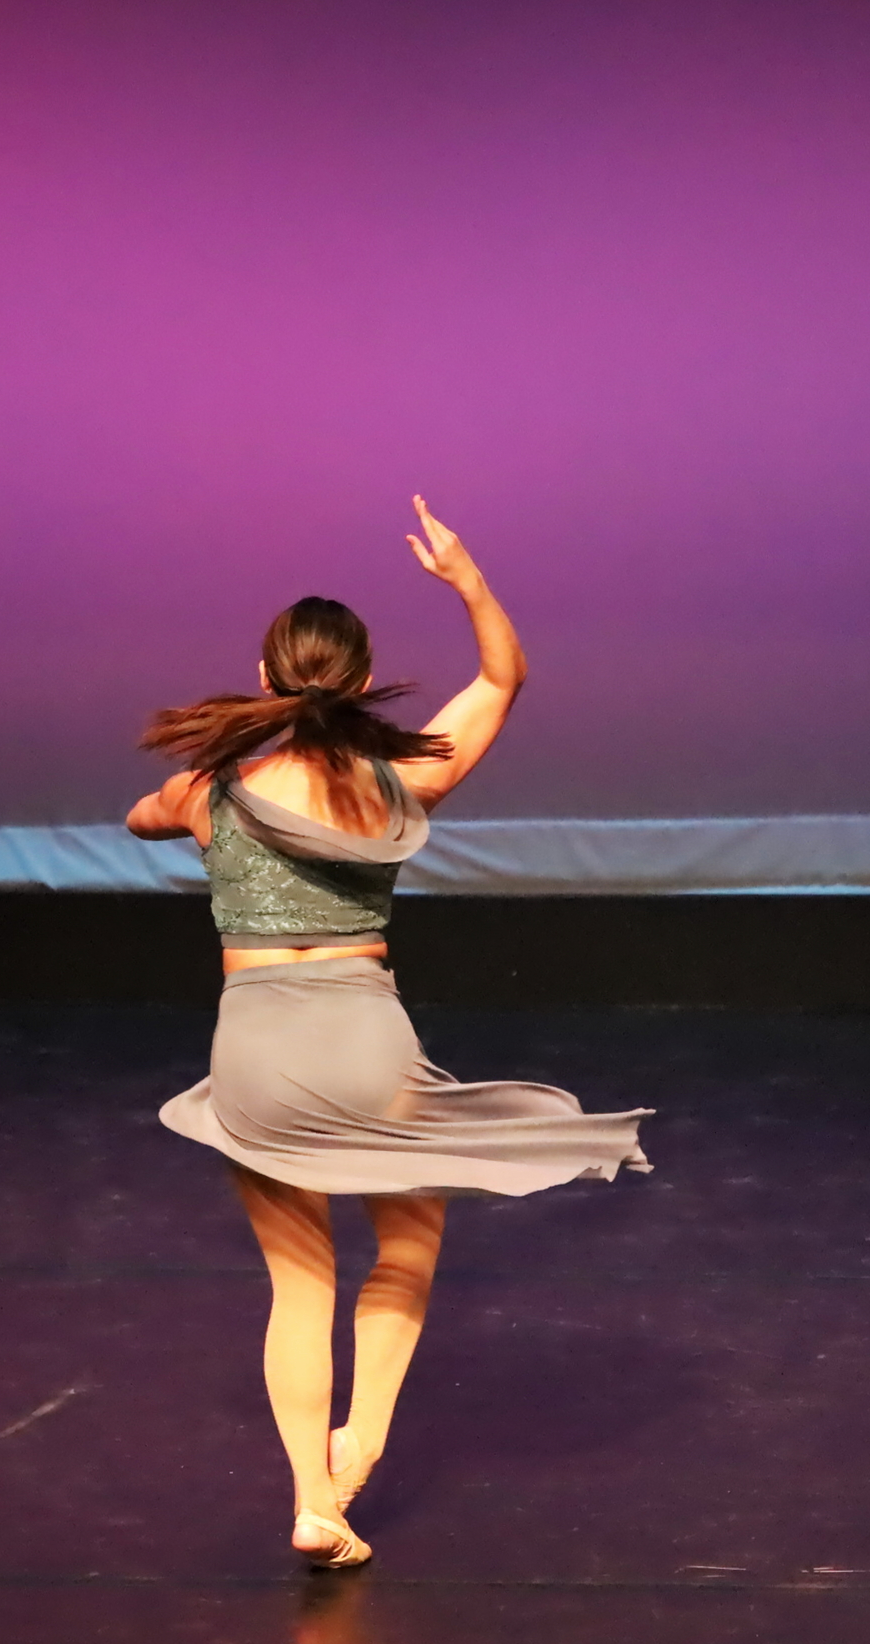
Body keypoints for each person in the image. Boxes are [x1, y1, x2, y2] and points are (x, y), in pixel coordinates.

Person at [126, 497, 652, 1569]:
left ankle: (312, 1503)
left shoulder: (206, 792)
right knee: (405, 1248)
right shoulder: (398, 779)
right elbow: (501, 679)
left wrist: (196, 793)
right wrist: (465, 580)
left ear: (267, 678)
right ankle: (358, 1445)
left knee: (299, 1283)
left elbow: (140, 816)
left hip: (255, 1050)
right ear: (363, 682)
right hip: (364, 1037)